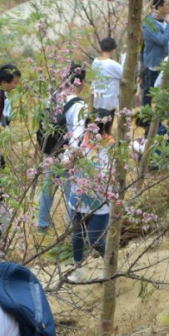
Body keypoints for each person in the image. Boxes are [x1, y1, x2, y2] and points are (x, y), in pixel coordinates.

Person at [38, 64, 88, 233]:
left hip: (51, 149)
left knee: (48, 187)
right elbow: (78, 133)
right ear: (81, 83)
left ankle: (42, 224)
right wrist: (71, 157)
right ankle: (72, 227)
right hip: (66, 153)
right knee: (70, 191)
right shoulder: (79, 105)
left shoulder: (53, 97)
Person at [66, 109, 115, 282]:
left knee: (95, 239)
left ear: (104, 129)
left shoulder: (111, 146)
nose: (92, 133)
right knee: (77, 235)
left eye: (97, 129)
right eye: (89, 128)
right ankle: (78, 270)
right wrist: (73, 159)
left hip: (99, 201)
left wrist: (87, 164)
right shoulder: (79, 140)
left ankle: (110, 266)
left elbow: (109, 176)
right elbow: (65, 163)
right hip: (77, 199)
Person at [142, 0, 169, 110]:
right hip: (154, 64)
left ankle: (165, 116)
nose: (168, 7)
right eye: (167, 5)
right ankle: (146, 120)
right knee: (150, 92)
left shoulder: (167, 19)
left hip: (167, 62)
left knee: (168, 90)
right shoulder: (149, 24)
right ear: (159, 7)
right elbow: (162, 40)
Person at [91, 37, 123, 112]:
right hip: (109, 104)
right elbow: (125, 75)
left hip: (96, 102)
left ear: (101, 49)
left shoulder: (95, 62)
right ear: (113, 50)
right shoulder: (113, 65)